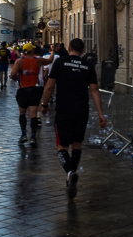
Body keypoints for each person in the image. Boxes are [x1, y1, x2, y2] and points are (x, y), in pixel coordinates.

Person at [41, 38, 105, 199]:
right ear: (83, 50)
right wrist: (100, 114)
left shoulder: (60, 63)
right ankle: (72, 176)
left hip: (63, 110)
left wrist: (44, 104)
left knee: (62, 146)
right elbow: (94, 90)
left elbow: (49, 86)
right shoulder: (88, 66)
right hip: (81, 110)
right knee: (77, 144)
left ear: (69, 48)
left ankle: (70, 172)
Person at [9, 44, 56, 147]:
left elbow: (13, 74)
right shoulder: (38, 61)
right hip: (34, 89)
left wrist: (16, 78)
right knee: (33, 114)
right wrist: (53, 51)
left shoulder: (19, 62)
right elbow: (50, 61)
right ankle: (33, 137)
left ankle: (24, 134)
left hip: (23, 89)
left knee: (22, 113)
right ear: (32, 51)